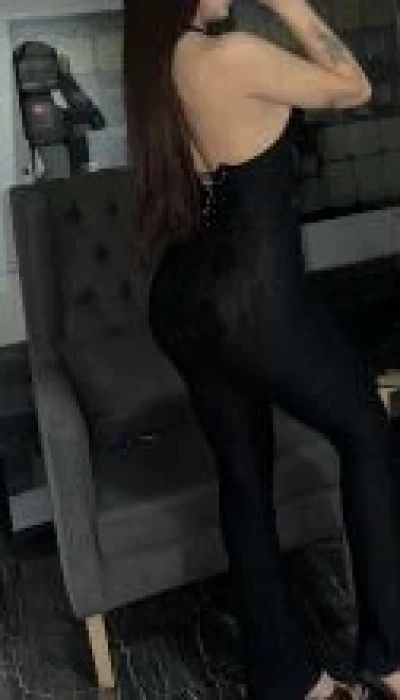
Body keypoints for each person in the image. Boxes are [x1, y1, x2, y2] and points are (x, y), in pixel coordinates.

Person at [124, 0, 400, 698]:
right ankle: (390, 657)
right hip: (250, 300)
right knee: (367, 432)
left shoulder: (156, 64)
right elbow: (355, 87)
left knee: (244, 477)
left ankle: (285, 679)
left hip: (181, 299)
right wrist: (294, 7)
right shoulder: (233, 55)